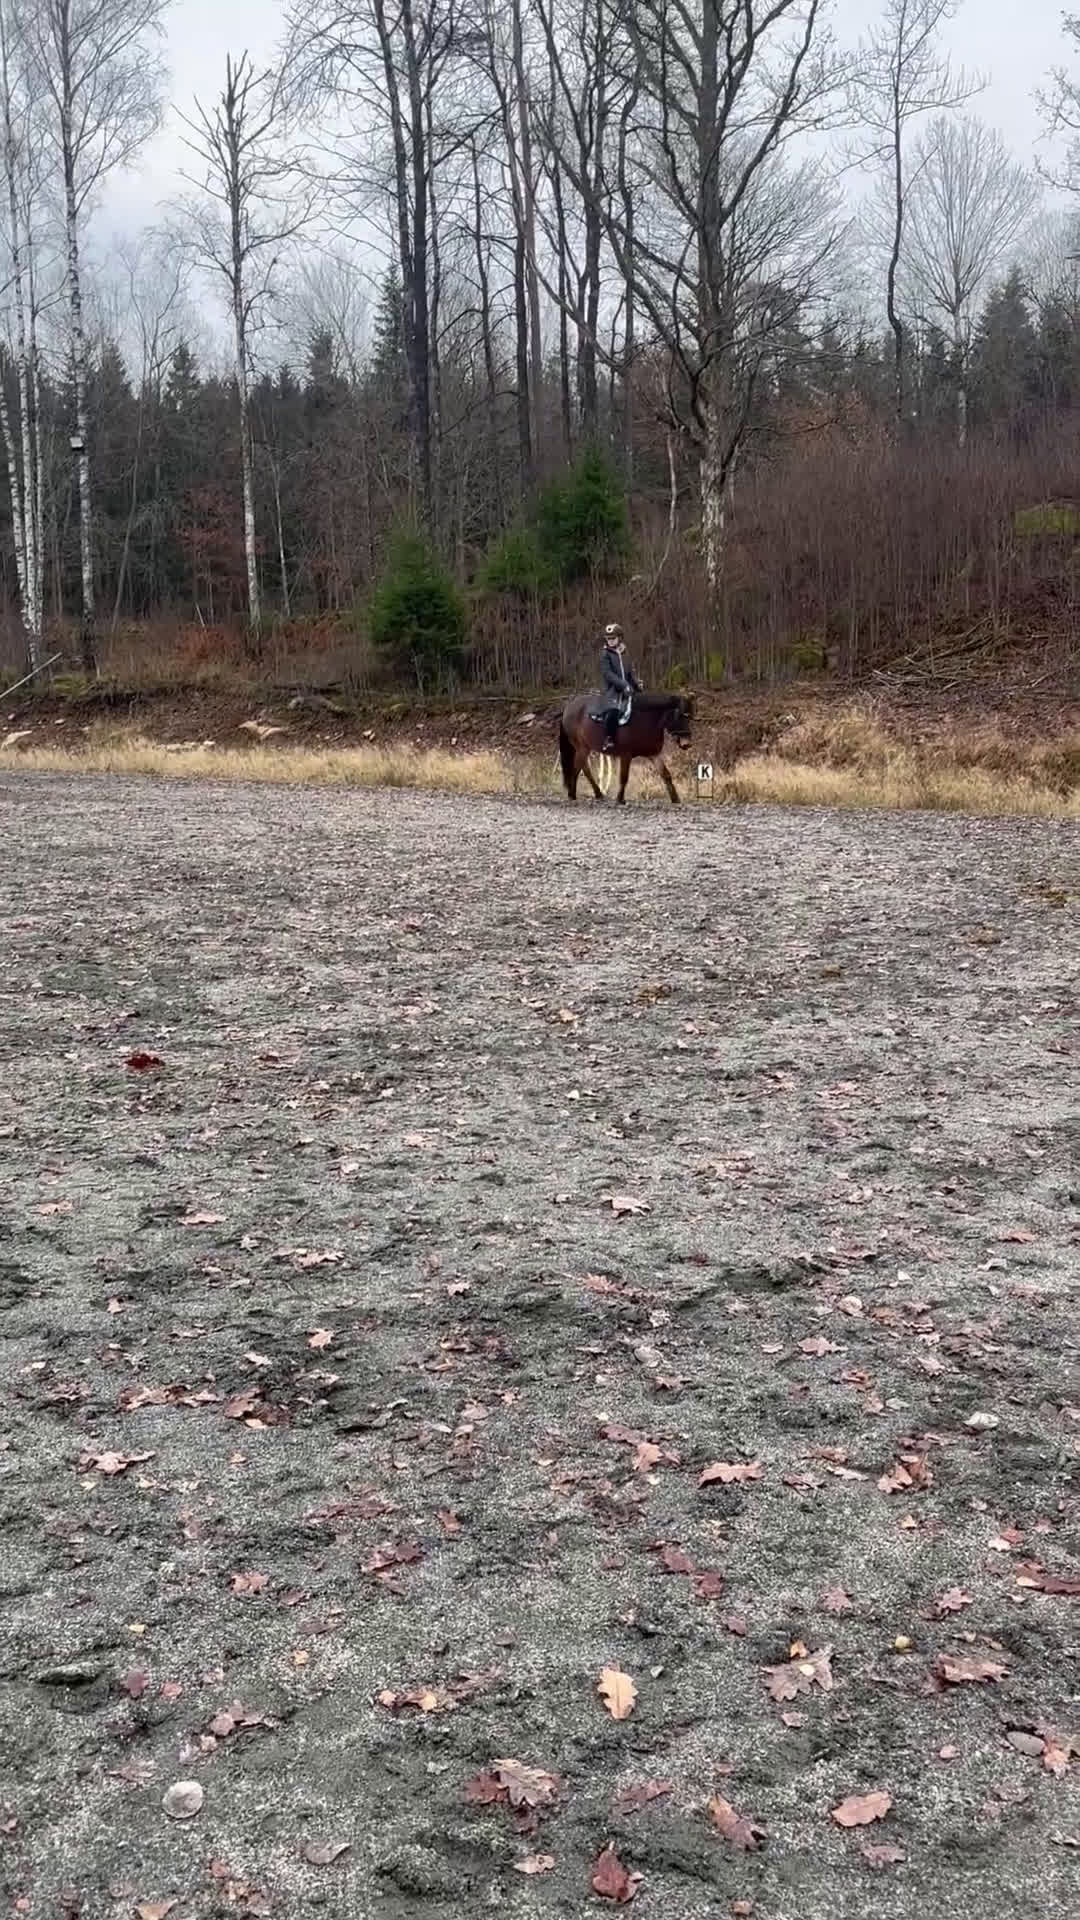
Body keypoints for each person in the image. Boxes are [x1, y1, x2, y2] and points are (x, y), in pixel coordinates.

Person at [598, 623, 640, 754]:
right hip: (612, 692)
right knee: (613, 711)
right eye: (608, 638)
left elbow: (630, 673)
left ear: (620, 638)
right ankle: (609, 738)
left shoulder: (625, 653)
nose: (610, 641)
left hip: (627, 690)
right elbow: (608, 674)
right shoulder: (605, 654)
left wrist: (636, 684)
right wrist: (624, 685)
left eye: (613, 638)